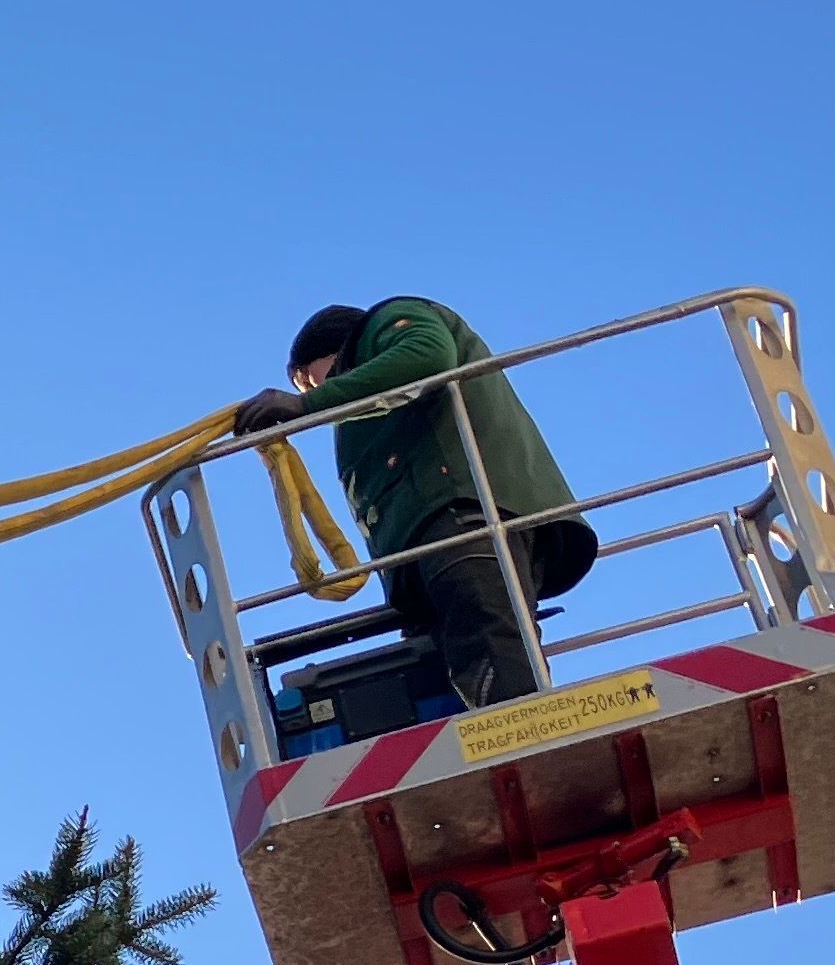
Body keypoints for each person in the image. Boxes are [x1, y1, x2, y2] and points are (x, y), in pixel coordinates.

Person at [233, 298, 596, 709]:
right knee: (449, 665)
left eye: (306, 380)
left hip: (462, 515)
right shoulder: (364, 409)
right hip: (429, 549)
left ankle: (528, 733)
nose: (310, 391)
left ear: (329, 355)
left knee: (487, 636)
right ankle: (499, 729)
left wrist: (308, 403)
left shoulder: (389, 322)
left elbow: (429, 354)